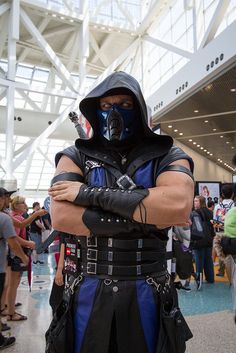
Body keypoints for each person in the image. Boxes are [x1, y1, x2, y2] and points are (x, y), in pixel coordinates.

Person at [48, 71, 194, 353]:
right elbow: (62, 216)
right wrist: (145, 219)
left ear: (138, 109)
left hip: (148, 291)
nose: (114, 113)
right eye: (105, 106)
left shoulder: (168, 155)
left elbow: (177, 204)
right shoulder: (74, 155)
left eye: (125, 105)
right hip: (87, 291)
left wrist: (87, 194)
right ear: (95, 110)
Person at [0, 189, 29, 349]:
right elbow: (13, 240)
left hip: (4, 260)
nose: (7, 200)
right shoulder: (5, 218)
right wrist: (24, 256)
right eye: (5, 197)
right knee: (8, 286)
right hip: (7, 260)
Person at [190, 195, 215, 290]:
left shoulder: (195, 213)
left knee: (199, 261)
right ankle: (210, 278)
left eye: (196, 201)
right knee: (208, 260)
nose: (194, 202)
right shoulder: (209, 212)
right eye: (194, 201)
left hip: (199, 239)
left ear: (201, 202)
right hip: (208, 239)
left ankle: (199, 280)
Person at [213, 184, 234, 276]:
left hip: (220, 231)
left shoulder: (217, 206)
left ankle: (221, 271)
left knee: (221, 252)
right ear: (233, 194)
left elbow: (214, 220)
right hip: (231, 232)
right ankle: (232, 272)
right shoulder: (234, 205)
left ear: (222, 194)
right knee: (232, 254)